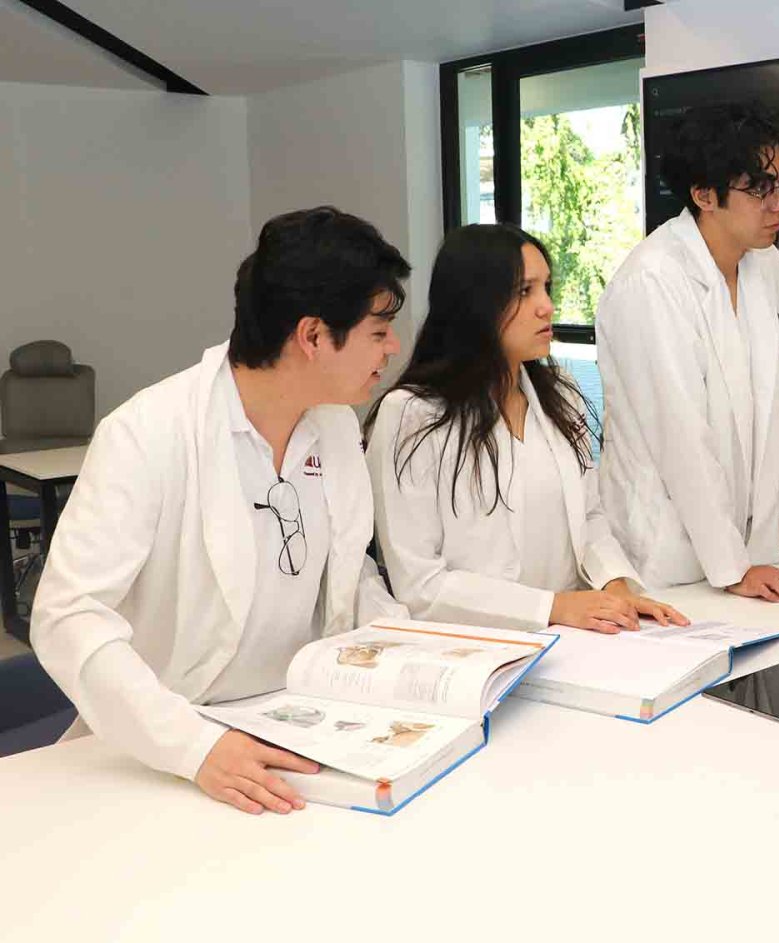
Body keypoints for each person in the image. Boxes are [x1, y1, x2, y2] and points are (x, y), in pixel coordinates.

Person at [31, 207, 414, 815]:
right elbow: (67, 617)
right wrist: (193, 746)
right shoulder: (148, 433)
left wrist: (416, 649)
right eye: (378, 330)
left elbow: (345, 574)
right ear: (313, 336)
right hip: (169, 744)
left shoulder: (336, 427)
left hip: (293, 729)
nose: (393, 347)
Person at [364, 224, 685, 634]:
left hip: (571, 637)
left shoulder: (561, 396)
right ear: (475, 302)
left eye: (546, 288)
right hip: (474, 647)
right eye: (524, 291)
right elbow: (419, 586)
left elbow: (589, 517)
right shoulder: (412, 415)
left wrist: (615, 586)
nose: (546, 306)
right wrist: (552, 607)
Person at [594, 101, 779, 603]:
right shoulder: (652, 281)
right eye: (760, 188)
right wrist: (732, 567)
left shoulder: (766, 267)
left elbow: (776, 409)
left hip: (750, 553)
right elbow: (680, 435)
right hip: (667, 558)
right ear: (703, 194)